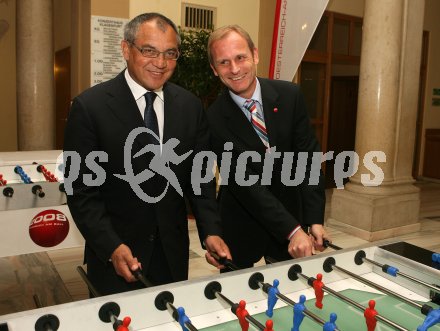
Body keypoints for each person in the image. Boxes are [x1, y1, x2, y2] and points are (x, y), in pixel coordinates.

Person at [64, 12, 231, 295]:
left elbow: (199, 180)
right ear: (126, 49)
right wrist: (111, 246)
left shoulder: (190, 107)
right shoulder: (89, 108)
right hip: (116, 257)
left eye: (170, 53)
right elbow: (81, 191)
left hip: (172, 255)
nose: (161, 63)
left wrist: (211, 231)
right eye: (149, 51)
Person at [206, 25, 329, 269]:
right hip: (241, 225)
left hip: (291, 216)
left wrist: (314, 219)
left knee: (289, 295)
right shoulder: (213, 119)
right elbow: (246, 185)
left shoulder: (290, 96)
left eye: (240, 57)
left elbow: (309, 158)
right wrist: (292, 230)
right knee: (239, 300)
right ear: (214, 69)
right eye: (224, 62)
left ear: (255, 55)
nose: (234, 69)